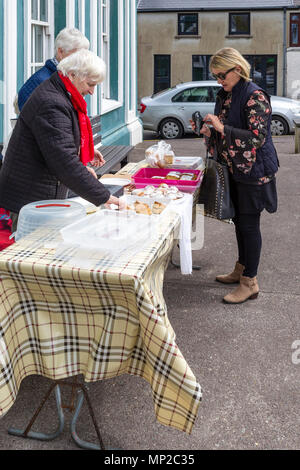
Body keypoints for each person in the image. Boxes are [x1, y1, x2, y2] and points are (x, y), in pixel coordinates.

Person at [0, 49, 125, 234]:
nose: (92, 91)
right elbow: (65, 162)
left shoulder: (60, 92)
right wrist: (105, 196)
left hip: (38, 195)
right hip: (30, 200)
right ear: (72, 74)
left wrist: (82, 169)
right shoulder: (52, 102)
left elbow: (60, 146)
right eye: (90, 84)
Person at [193, 47, 279, 304]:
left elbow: (257, 138)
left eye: (222, 75)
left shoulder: (255, 96)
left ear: (237, 70)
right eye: (216, 76)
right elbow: (229, 130)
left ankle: (250, 282)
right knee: (240, 223)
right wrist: (212, 132)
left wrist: (222, 127)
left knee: (250, 225)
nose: (219, 81)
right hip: (236, 169)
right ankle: (241, 269)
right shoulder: (227, 94)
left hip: (254, 172)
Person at [18, 27, 90, 112]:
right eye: (78, 55)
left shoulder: (67, 78)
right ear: (60, 52)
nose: (82, 60)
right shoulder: (40, 81)